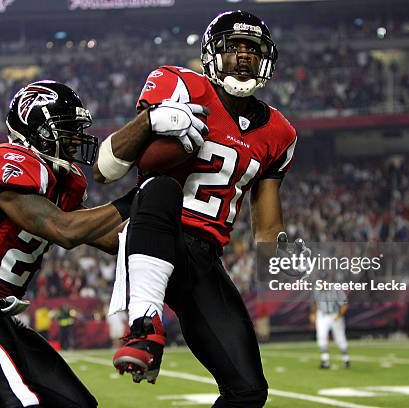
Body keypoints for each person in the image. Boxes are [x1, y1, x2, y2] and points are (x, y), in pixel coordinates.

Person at [0, 80, 207, 408]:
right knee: (21, 402)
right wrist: (134, 198)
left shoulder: (63, 182)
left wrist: (157, 199)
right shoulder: (7, 162)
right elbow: (64, 230)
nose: (75, 140)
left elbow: (112, 240)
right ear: (37, 130)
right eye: (66, 130)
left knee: (77, 404)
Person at [103, 11, 299, 407]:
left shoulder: (280, 133)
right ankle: (143, 326)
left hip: (206, 257)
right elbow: (107, 168)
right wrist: (150, 119)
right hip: (156, 230)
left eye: (251, 49)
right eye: (233, 48)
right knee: (159, 186)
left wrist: (292, 259)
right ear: (212, 55)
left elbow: (267, 228)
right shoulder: (180, 85)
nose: (242, 57)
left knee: (248, 391)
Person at [310, 283, 350, 369]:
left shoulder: (336, 290)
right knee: (321, 336)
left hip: (334, 315)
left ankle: (346, 360)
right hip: (322, 315)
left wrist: (339, 315)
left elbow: (345, 305)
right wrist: (313, 313)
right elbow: (314, 303)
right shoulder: (317, 290)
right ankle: (325, 361)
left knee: (340, 338)